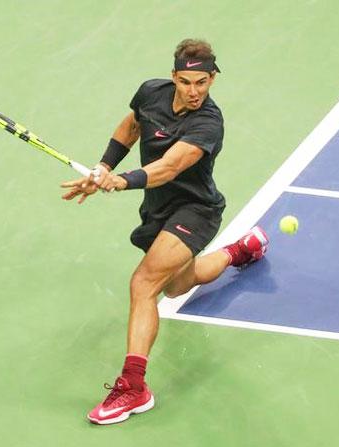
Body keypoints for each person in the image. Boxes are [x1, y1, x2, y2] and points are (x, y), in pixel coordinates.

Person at [60, 38, 269, 425]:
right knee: (176, 285)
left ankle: (134, 387)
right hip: (158, 211)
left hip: (196, 210)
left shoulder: (208, 122)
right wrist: (103, 167)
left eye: (203, 83)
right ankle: (239, 251)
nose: (194, 91)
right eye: (187, 82)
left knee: (144, 284)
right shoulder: (150, 92)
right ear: (174, 76)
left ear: (212, 79)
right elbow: (130, 126)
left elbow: (170, 167)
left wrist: (121, 181)